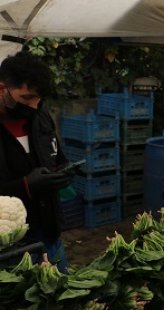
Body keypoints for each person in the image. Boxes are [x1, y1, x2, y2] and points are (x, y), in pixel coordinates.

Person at [0, 52, 72, 271]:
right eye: (27, 98)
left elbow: (57, 157)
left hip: (49, 233)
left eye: (39, 99)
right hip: (9, 245)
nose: (34, 106)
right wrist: (24, 186)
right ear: (3, 89)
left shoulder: (40, 117)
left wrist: (64, 172)